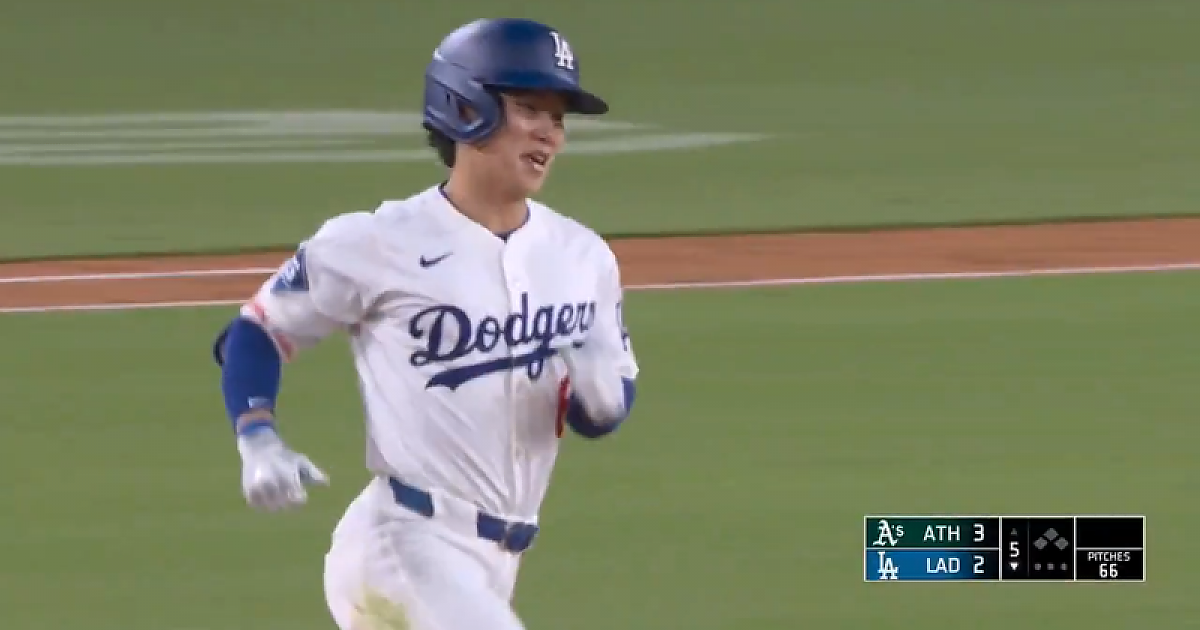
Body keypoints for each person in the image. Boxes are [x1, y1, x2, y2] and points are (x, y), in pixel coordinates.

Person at [210, 17, 640, 630]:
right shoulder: (378, 241)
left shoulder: (583, 257)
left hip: (496, 563)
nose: (551, 133)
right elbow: (258, 330)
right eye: (530, 109)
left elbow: (600, 413)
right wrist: (257, 435)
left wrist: (602, 402)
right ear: (466, 106)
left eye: (558, 117)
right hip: (402, 547)